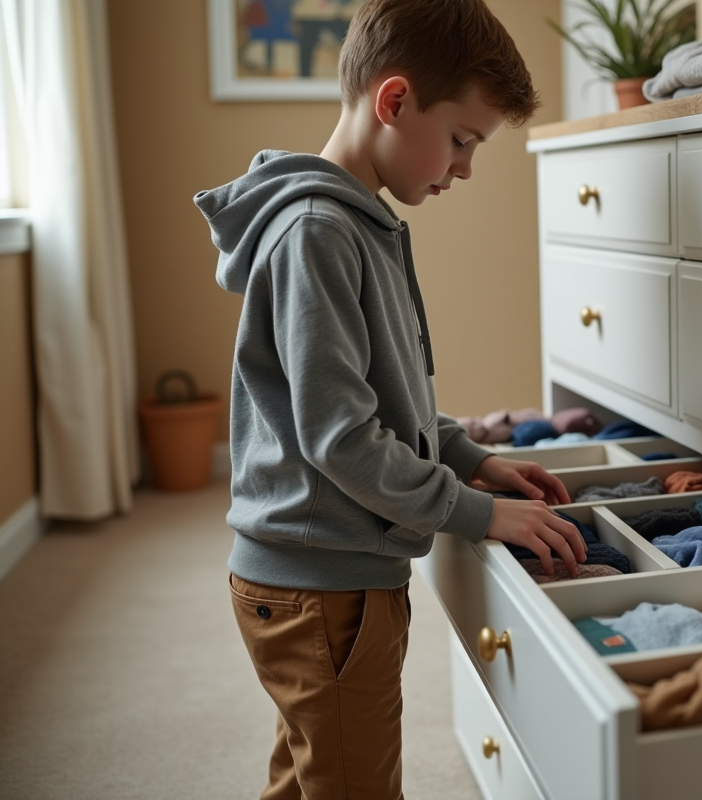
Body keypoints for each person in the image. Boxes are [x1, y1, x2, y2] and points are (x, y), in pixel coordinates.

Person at [193, 1, 587, 797]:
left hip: (323, 577)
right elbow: (343, 438)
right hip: (322, 586)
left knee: (311, 771)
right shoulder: (320, 231)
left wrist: (470, 457)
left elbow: (387, 401)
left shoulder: (358, 223)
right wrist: (473, 513)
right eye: (463, 141)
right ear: (395, 101)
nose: (466, 167)